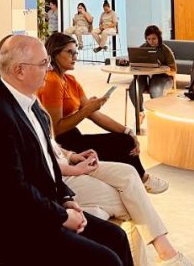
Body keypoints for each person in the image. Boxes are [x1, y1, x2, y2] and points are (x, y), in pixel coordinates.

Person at [0, 34, 134, 266]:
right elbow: (12, 192)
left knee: (117, 237)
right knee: (107, 261)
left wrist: (65, 199)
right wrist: (62, 216)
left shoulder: (30, 104)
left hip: (40, 211)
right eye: (44, 63)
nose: (50, 68)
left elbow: (47, 164)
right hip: (10, 228)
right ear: (19, 70)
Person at [38, 32, 168, 193]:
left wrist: (127, 131)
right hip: (62, 144)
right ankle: (142, 179)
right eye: (70, 52)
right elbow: (55, 129)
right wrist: (87, 110)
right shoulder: (52, 81)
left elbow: (96, 116)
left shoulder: (70, 81)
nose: (75, 57)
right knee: (123, 145)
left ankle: (138, 181)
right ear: (55, 53)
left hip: (74, 136)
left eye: (76, 52)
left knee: (125, 140)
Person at [58, 147, 194, 266]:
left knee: (129, 173)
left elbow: (50, 142)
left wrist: (71, 155)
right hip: (59, 176)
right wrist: (74, 169)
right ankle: (167, 254)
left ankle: (166, 254)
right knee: (131, 200)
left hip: (64, 162)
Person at [128, 25, 176, 113]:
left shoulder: (166, 50)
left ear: (159, 38)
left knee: (155, 90)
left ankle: (156, 114)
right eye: (148, 39)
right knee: (133, 89)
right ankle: (140, 113)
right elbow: (136, 62)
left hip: (163, 77)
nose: (151, 41)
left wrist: (162, 68)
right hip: (144, 76)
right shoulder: (143, 47)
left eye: (154, 39)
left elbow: (174, 71)